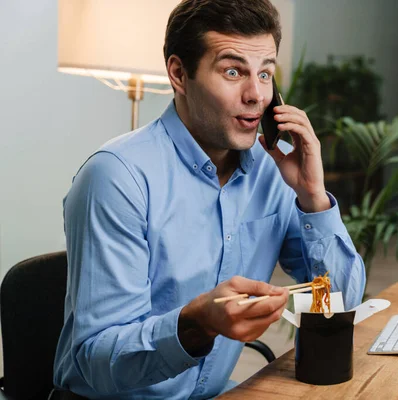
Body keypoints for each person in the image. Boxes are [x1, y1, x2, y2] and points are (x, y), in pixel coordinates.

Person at [52, 0, 366, 398]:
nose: (256, 95)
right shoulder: (117, 178)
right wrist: (195, 324)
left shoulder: (272, 171)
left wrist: (313, 197)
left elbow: (339, 303)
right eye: (233, 71)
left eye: (265, 73)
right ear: (180, 74)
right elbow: (98, 362)